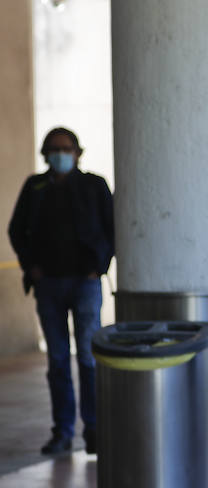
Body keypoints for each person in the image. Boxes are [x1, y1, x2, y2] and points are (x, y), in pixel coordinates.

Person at [8, 127, 114, 455]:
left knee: (87, 356)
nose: (60, 154)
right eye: (54, 149)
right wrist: (31, 267)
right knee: (57, 361)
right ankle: (63, 431)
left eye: (66, 149)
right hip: (49, 285)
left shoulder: (93, 185)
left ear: (77, 153)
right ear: (45, 154)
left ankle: (94, 429)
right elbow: (16, 230)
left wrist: (100, 265)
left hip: (85, 282)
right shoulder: (35, 187)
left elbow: (113, 228)